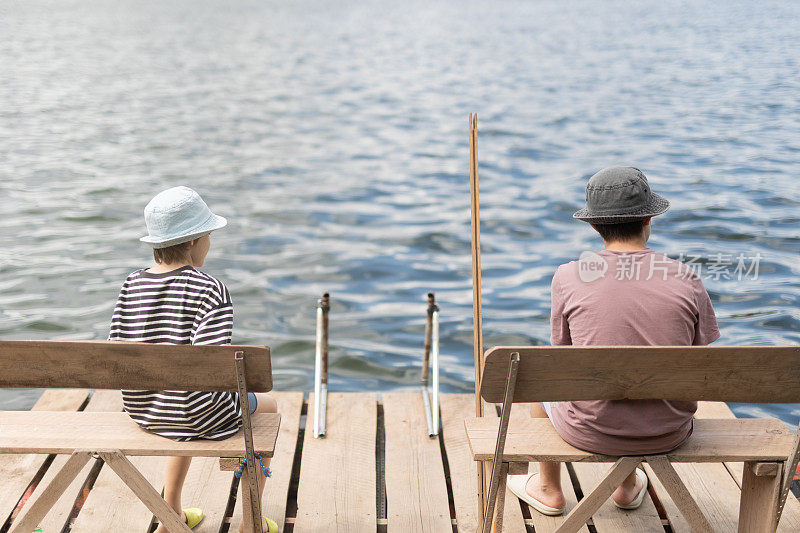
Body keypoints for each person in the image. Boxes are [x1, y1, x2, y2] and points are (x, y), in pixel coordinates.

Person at [507, 167, 720, 516]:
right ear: (649, 217)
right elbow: (699, 358)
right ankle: (626, 484)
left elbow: (562, 356)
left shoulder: (568, 276)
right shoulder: (686, 277)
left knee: (543, 384)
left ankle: (548, 489)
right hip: (669, 430)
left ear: (593, 225)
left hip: (593, 431)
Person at [109, 186, 279, 532]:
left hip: (144, 410)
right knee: (269, 407)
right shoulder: (210, 289)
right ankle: (251, 521)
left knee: (179, 392)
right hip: (199, 417)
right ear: (191, 241)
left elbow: (116, 348)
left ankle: (171, 505)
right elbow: (210, 368)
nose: (209, 244)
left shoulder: (131, 284)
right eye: (208, 236)